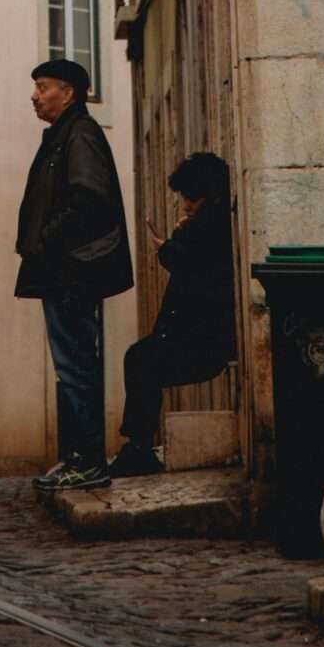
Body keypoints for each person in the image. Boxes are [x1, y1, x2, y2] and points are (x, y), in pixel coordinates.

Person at [15, 57, 133, 492]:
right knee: (73, 366)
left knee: (76, 366)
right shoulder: (67, 135)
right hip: (64, 269)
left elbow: (90, 199)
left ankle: (87, 461)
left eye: (42, 86)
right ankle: (78, 458)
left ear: (68, 92)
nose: (34, 95)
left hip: (71, 271)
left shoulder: (79, 134)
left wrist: (48, 238)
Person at [107, 149, 235, 479]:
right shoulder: (207, 225)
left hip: (205, 341)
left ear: (208, 194)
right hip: (196, 336)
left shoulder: (214, 227)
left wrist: (168, 243)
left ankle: (138, 448)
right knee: (140, 360)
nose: (186, 205)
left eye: (190, 198)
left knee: (140, 361)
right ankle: (138, 446)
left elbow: (193, 270)